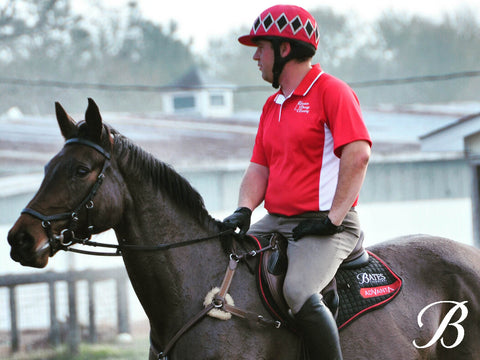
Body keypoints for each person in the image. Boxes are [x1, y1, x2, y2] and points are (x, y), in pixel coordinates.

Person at [223, 5, 372, 360]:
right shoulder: (272, 104)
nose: (256, 56)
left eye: (261, 47)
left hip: (327, 226)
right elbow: (259, 168)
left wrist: (332, 218)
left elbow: (358, 155)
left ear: (285, 48)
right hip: (277, 220)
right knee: (225, 258)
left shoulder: (332, 92)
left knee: (299, 290)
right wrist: (244, 209)